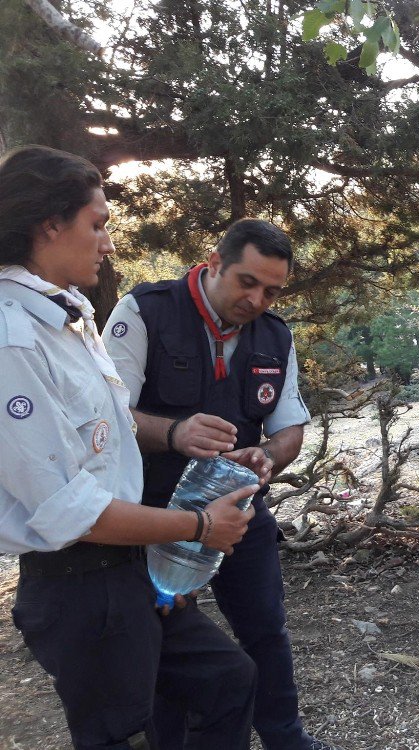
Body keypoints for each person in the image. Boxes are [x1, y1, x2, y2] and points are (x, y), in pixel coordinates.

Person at [0, 144, 258, 749]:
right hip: (81, 589)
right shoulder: (12, 340)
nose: (108, 243)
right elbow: (70, 509)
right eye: (98, 225)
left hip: (128, 569)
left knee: (227, 680)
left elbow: (108, 445)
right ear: (50, 224)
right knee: (122, 736)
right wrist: (197, 526)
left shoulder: (66, 318)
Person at [102, 219, 330, 750]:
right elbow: (106, 417)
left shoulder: (276, 335)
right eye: (246, 282)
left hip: (242, 513)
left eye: (272, 291)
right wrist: (174, 432)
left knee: (267, 630)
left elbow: (290, 425)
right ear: (214, 263)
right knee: (165, 644)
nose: (257, 300)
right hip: (155, 515)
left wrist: (265, 457)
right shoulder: (144, 311)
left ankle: (285, 737)